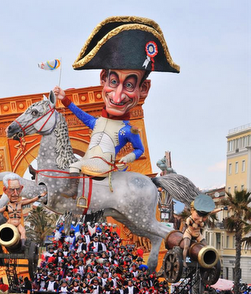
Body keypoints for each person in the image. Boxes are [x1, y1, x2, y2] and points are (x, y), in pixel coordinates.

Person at [53, 16, 179, 199]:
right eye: (113, 82)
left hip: (103, 166)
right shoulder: (96, 122)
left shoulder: (130, 130)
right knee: (72, 168)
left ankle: (78, 197)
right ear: (103, 78)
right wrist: (64, 99)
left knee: (75, 168)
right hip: (87, 163)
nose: (118, 96)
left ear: (143, 89)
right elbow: (78, 113)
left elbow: (139, 150)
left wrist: (127, 159)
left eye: (129, 85)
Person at [0, 173, 46, 249]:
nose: (15, 194)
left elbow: (32, 200)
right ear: (5, 191)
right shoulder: (7, 206)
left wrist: (40, 196)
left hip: (17, 223)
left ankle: (23, 244)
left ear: (21, 189)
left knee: (23, 232)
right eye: (12, 190)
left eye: (17, 190)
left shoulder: (21, 203)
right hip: (9, 223)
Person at [182, 194, 216, 267]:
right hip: (189, 233)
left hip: (197, 234)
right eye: (198, 215)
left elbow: (212, 212)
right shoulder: (190, 218)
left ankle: (207, 261)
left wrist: (222, 209)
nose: (200, 219)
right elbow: (187, 223)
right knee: (186, 246)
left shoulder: (202, 216)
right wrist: (191, 225)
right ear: (192, 210)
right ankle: (184, 261)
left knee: (206, 246)